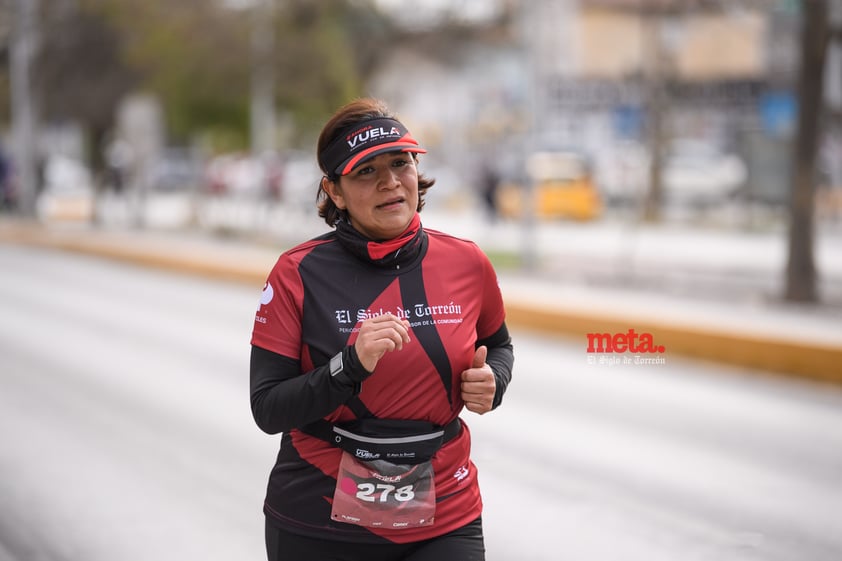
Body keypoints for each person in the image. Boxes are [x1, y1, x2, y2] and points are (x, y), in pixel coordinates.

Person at [250, 98, 514, 561]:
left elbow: (499, 345)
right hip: (319, 518)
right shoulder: (298, 272)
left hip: (444, 518)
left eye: (400, 163)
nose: (390, 181)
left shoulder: (467, 262)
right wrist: (349, 365)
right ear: (334, 192)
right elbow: (268, 408)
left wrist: (494, 381)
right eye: (366, 171)